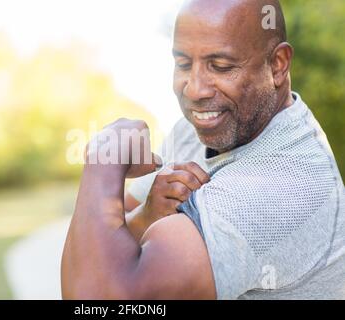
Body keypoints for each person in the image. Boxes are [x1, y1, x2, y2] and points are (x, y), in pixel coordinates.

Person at [61, 0, 345, 299]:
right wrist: (147, 216)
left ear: (278, 64)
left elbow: (95, 298)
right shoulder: (201, 130)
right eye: (183, 64)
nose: (195, 90)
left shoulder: (278, 189)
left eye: (221, 66)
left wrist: (104, 159)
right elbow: (96, 246)